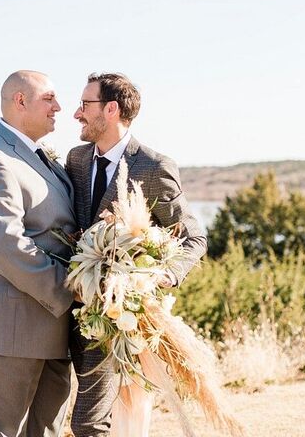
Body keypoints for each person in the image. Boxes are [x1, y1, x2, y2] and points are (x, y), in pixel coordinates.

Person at [65, 72, 208, 436]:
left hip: (115, 320)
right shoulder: (77, 160)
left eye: (85, 104)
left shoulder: (153, 166)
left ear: (110, 109)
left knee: (88, 423)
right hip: (64, 310)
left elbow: (194, 237)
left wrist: (162, 276)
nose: (77, 113)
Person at [0, 70, 78, 437]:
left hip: (49, 323)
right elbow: (10, 249)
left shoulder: (32, 154)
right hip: (5, 325)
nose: (59, 107)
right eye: (49, 98)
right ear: (20, 101)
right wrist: (74, 289)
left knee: (46, 430)